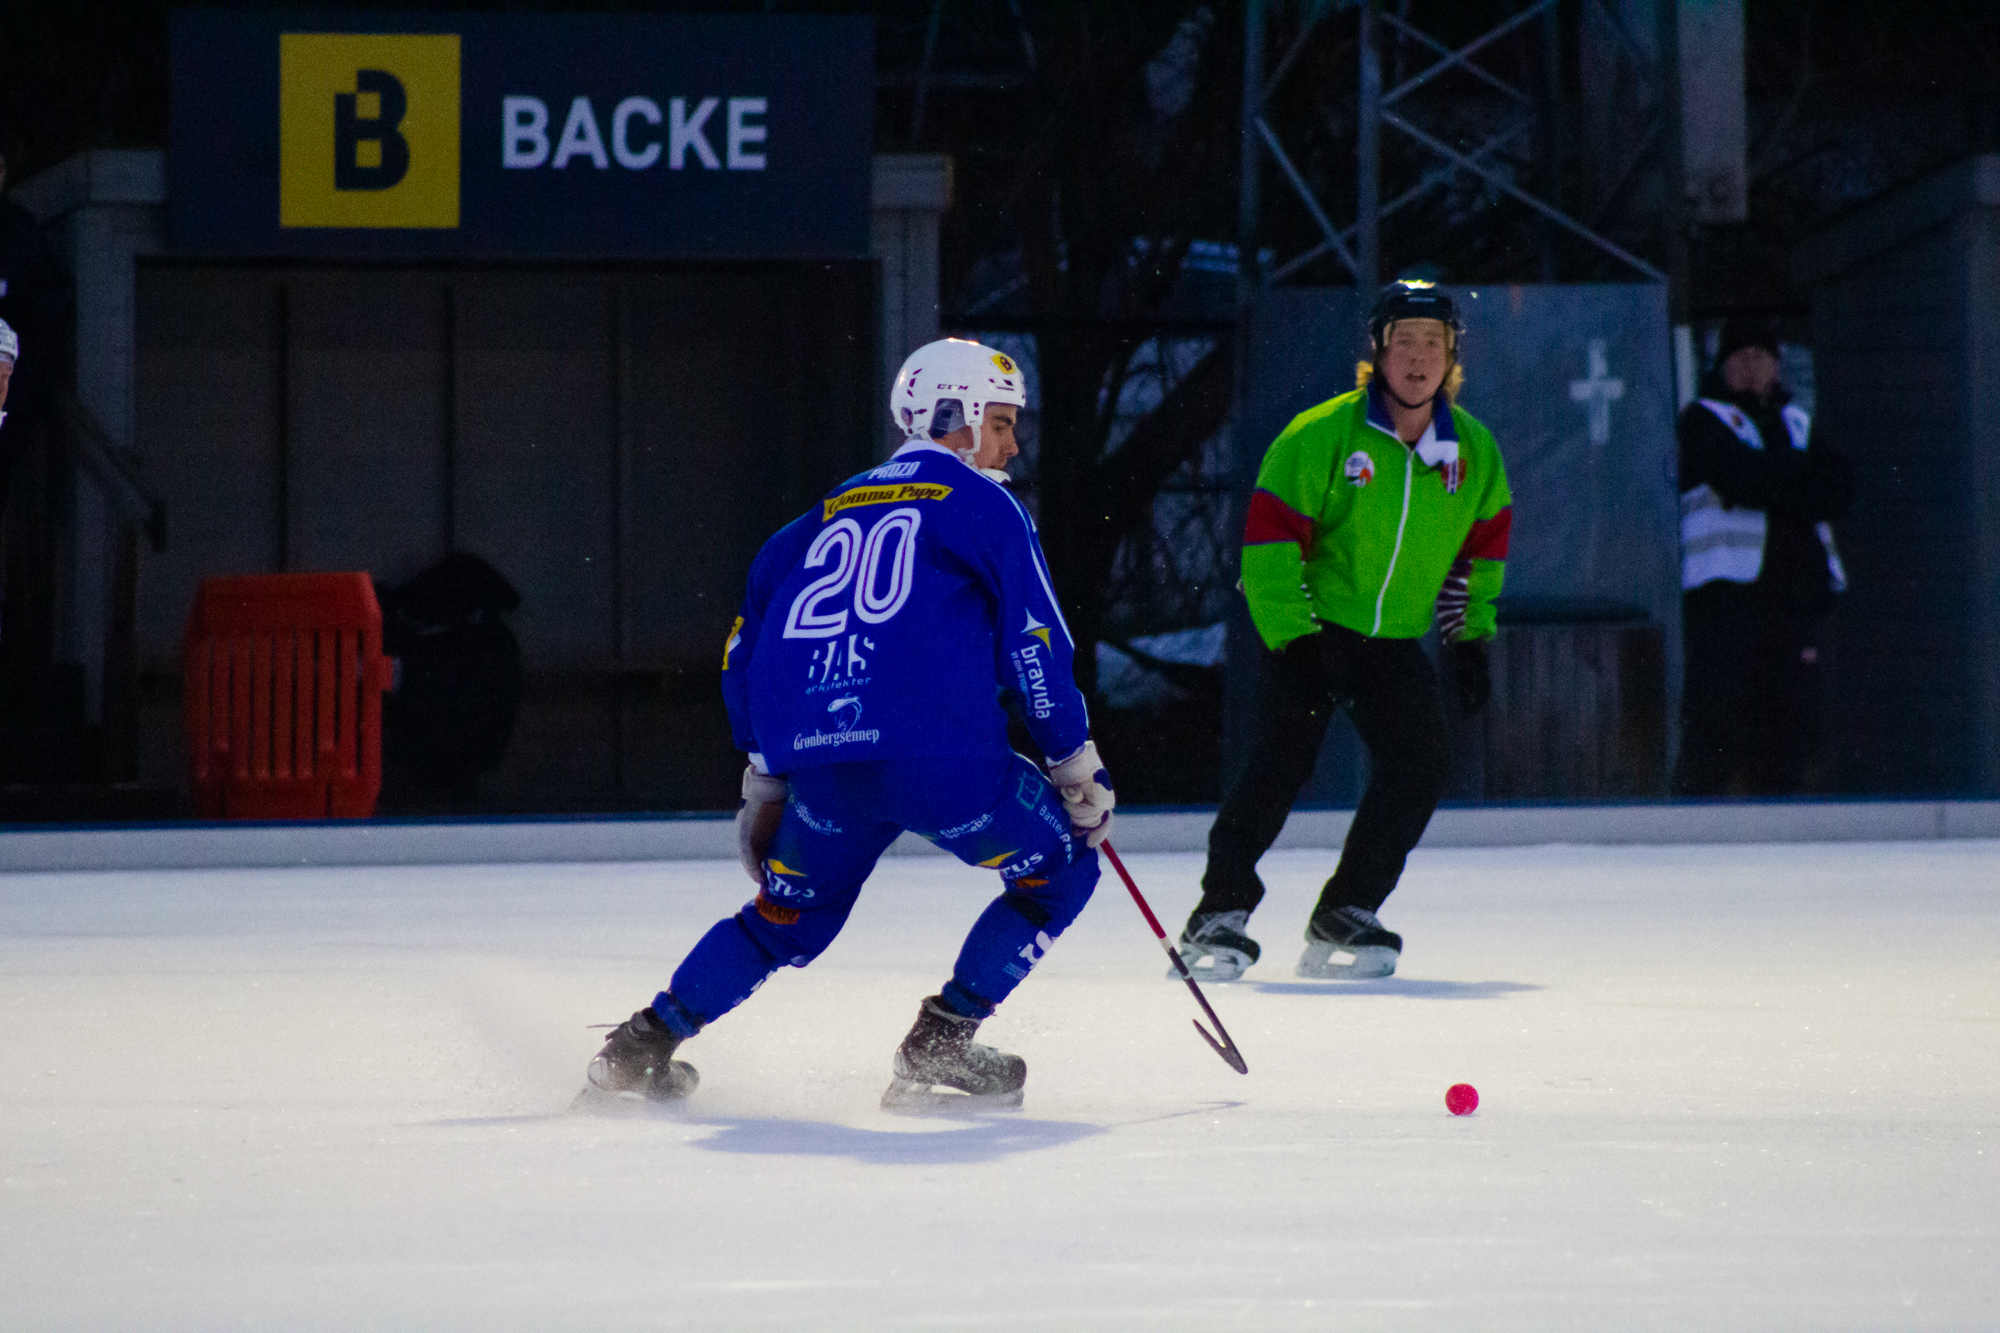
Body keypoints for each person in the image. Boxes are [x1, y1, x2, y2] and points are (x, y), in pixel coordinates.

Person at [579, 338, 1115, 1111]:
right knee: (1061, 867)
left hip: (828, 768)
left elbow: (745, 657)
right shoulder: (984, 504)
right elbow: (1033, 642)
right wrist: (1073, 758)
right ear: (950, 416)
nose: (1011, 443)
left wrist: (763, 776)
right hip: (942, 762)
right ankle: (944, 1038)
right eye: (999, 421)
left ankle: (640, 1046)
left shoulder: (805, 525)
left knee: (783, 919)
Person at [1178, 279, 1512, 982]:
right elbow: (1269, 545)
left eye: (1433, 343)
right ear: (1378, 353)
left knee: (1421, 763)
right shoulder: (1321, 434)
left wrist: (1469, 638)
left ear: (1452, 355)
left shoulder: (1473, 451)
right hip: (1315, 626)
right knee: (1282, 761)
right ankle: (1220, 909)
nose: (1418, 359)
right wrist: (1296, 640)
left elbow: (1481, 553)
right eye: (1404, 342)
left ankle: (1348, 907)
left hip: (1391, 641)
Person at [1672, 316, 1853, 795]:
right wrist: (1793, 475)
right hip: (1725, 598)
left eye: (1761, 357)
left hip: (1792, 596)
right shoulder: (1703, 418)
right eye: (1741, 357)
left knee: (1786, 726)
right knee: (1717, 720)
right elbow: (1738, 477)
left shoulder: (1798, 423)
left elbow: (1837, 489)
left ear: (1777, 365)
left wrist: (1772, 476)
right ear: (1723, 367)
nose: (1752, 367)